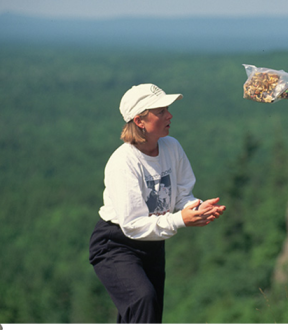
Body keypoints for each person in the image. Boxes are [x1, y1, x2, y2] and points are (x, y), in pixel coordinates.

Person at [89, 83, 226, 323]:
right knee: (143, 300)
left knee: (146, 315)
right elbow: (132, 224)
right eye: (160, 111)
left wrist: (195, 208)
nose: (169, 115)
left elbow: (183, 194)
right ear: (139, 121)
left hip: (152, 243)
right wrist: (180, 220)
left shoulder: (172, 147)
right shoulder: (123, 162)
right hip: (115, 244)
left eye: (167, 109)